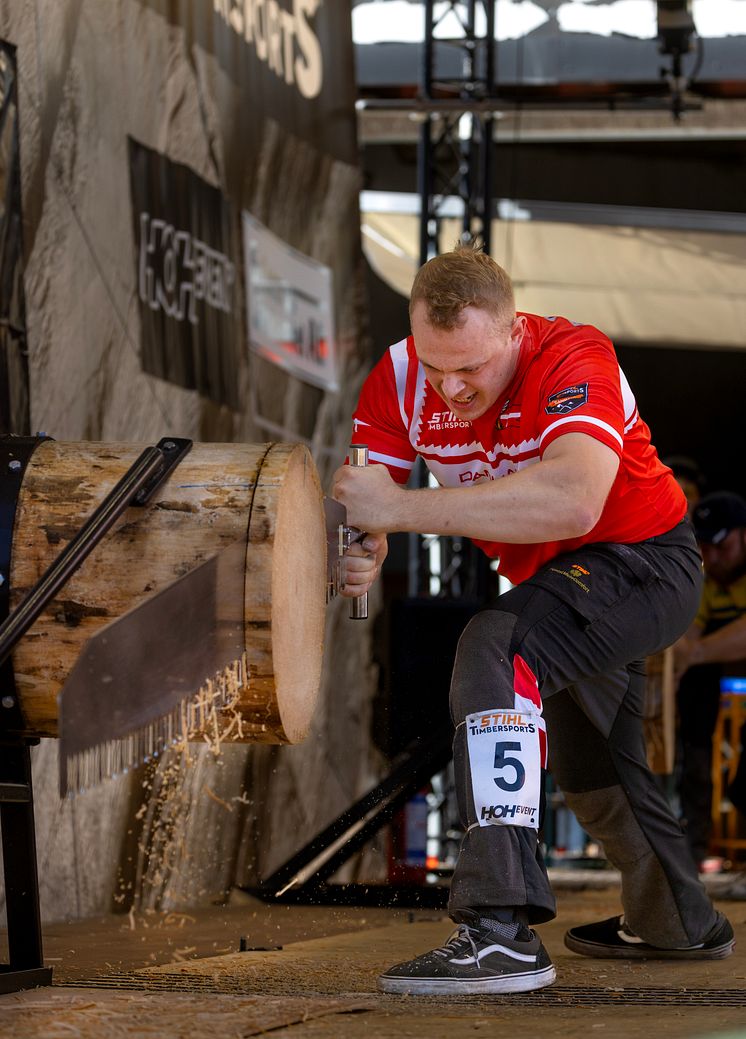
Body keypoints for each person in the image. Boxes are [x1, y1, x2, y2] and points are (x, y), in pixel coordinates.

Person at [333, 243, 733, 996]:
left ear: (516, 330)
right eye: (435, 362)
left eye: (473, 367)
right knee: (594, 767)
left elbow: (574, 499)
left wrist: (402, 512)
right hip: (557, 581)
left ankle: (499, 925)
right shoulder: (396, 376)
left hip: (644, 560)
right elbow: (364, 497)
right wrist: (360, 548)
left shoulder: (575, 357)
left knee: (497, 644)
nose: (450, 386)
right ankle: (678, 921)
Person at [674, 491, 746, 869]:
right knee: (692, 702)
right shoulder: (704, 577)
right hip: (714, 677)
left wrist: (699, 653)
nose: (713, 557)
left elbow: (695, 649)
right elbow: (686, 644)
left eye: (723, 545)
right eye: (705, 546)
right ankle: (693, 848)